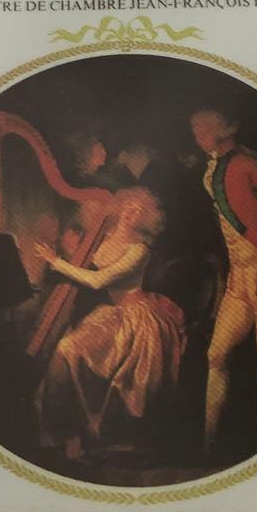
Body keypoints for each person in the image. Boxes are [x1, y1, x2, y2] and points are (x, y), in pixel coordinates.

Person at [32, 188, 185, 461]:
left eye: (138, 210)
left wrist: (56, 262)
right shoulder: (102, 237)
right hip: (111, 313)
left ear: (146, 219)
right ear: (119, 207)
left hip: (136, 317)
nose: (130, 212)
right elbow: (83, 264)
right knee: (67, 349)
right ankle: (60, 435)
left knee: (70, 348)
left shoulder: (139, 250)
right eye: (128, 205)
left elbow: (98, 280)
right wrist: (65, 248)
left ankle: (88, 435)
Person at [190, 108, 257, 453]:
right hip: (238, 280)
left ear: (222, 129)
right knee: (216, 356)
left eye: (201, 129)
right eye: (195, 130)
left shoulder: (252, 164)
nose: (196, 135)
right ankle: (207, 444)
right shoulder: (211, 168)